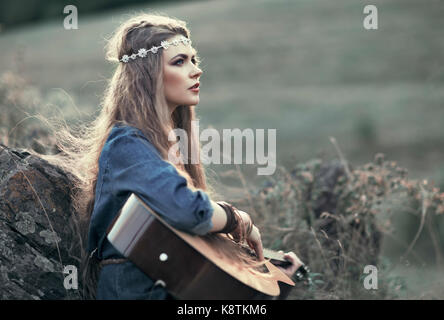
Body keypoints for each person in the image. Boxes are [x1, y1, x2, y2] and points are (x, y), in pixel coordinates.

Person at [53, 13, 304, 300]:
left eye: (194, 60)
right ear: (148, 75)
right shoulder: (126, 142)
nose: (196, 71)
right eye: (179, 61)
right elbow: (189, 210)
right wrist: (238, 219)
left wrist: (272, 274)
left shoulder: (164, 147)